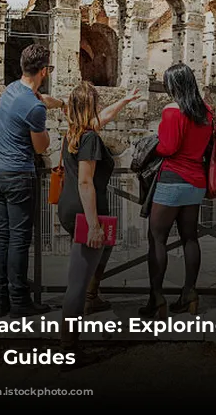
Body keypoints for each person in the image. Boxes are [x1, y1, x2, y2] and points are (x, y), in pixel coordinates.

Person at [58, 81, 141, 355]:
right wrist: (94, 225)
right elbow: (85, 182)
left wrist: (125, 101)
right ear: (91, 106)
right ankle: (69, 349)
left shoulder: (75, 132)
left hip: (70, 208)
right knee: (77, 284)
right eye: (98, 102)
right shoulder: (91, 138)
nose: (102, 107)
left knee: (96, 259)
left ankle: (90, 302)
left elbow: (102, 119)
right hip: (85, 211)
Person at [0, 43, 66, 319]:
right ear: (44, 71)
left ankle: (1, 301)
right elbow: (41, 147)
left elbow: (36, 100)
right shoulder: (34, 108)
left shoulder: (11, 90)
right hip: (17, 175)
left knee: (1, 235)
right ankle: (20, 301)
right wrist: (47, 125)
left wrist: (56, 103)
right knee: (20, 239)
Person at [139, 63, 213, 319]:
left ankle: (156, 299)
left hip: (172, 179)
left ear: (174, 86)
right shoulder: (206, 112)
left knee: (157, 239)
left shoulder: (173, 111)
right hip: (196, 181)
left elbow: (168, 148)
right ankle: (189, 293)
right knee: (190, 238)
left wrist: (152, 144)